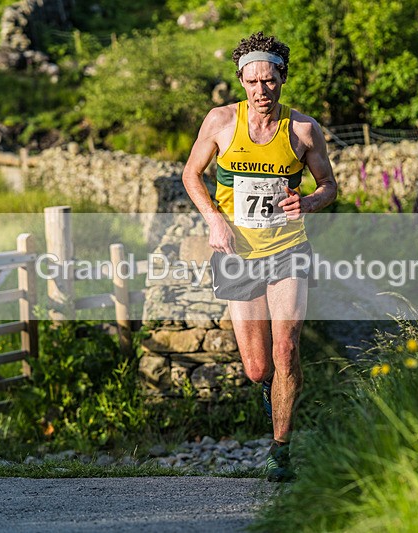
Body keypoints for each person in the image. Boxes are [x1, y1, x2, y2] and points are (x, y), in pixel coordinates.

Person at [182, 32, 337, 481]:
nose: (260, 91)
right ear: (241, 82)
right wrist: (213, 218)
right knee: (257, 368)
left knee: (286, 350)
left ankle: (280, 453)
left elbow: (328, 185)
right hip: (236, 253)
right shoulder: (220, 122)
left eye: (269, 81)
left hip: (287, 251)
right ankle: (275, 390)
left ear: (282, 79)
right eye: (251, 82)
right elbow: (191, 174)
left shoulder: (304, 130)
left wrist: (309, 201)